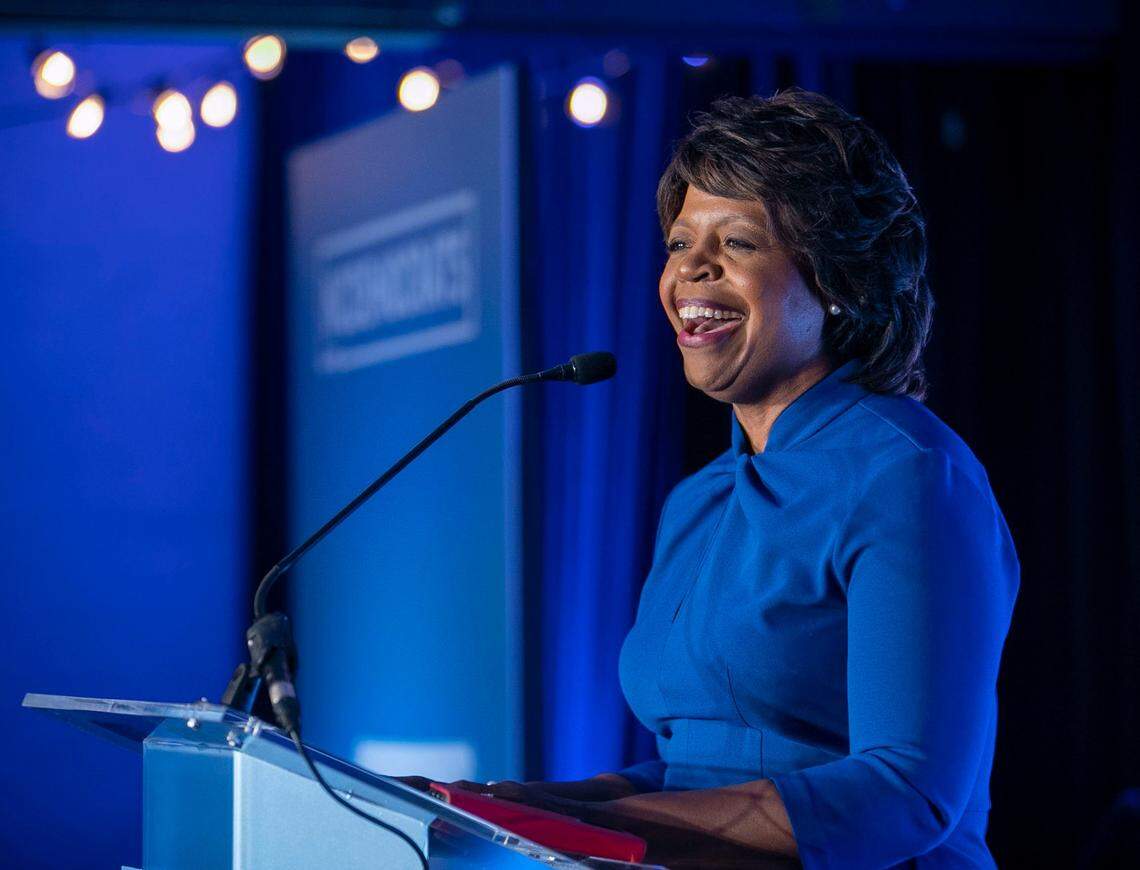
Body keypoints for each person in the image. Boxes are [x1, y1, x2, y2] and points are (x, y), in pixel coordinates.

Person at [407, 88, 1020, 868]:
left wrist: (584, 825)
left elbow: (904, 794)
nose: (691, 269)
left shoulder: (910, 477)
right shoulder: (699, 501)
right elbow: (691, 775)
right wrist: (508, 805)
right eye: (678, 243)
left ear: (838, 280)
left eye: (738, 242)